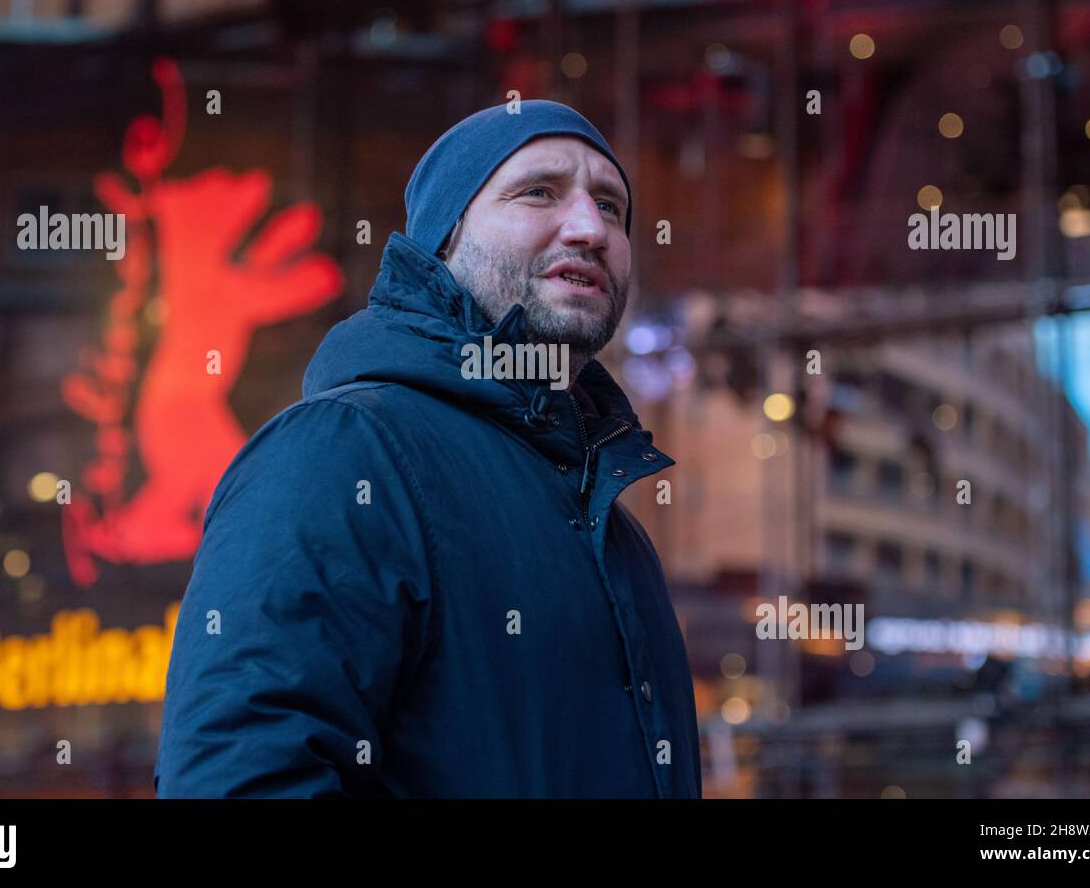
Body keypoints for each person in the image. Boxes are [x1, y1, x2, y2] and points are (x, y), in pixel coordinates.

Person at [154, 100, 702, 797]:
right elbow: (239, 781)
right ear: (445, 240)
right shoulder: (342, 454)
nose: (591, 228)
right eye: (539, 192)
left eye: (612, 206)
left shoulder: (613, 530)